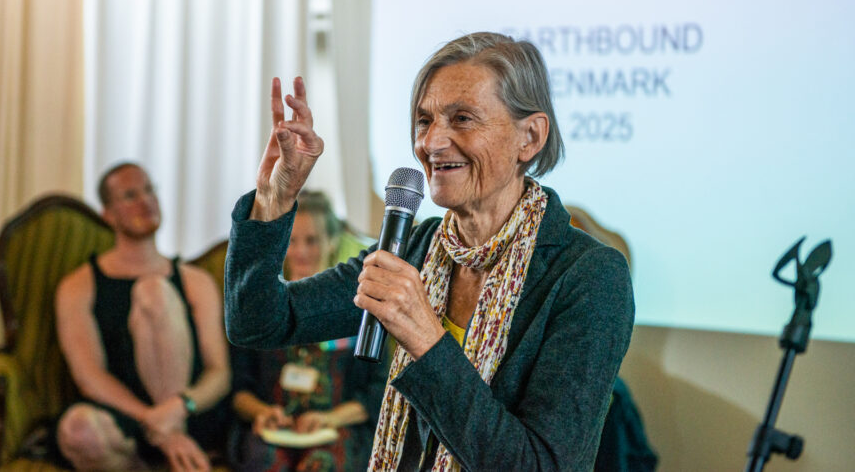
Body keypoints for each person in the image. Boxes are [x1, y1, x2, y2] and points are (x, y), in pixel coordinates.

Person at [224, 32, 635, 470]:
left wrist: (426, 340)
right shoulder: (416, 247)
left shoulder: (589, 275)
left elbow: (541, 465)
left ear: (529, 137)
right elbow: (257, 322)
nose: (431, 143)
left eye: (461, 119)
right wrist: (275, 198)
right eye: (424, 120)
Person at [55, 162, 231, 471]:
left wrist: (178, 410)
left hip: (190, 416)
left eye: (150, 190)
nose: (145, 201)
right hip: (127, 419)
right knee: (77, 430)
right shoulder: (78, 286)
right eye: (130, 195)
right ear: (108, 214)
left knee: (153, 290)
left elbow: (219, 373)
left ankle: (172, 445)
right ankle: (154, 458)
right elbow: (89, 377)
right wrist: (154, 423)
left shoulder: (196, 281)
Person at [230, 191, 389, 471]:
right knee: (268, 462)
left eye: (312, 240)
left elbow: (379, 389)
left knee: (324, 462)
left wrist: (332, 419)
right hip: (272, 430)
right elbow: (238, 387)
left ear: (332, 241)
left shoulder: (361, 306)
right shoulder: (259, 309)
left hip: (337, 428)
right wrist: (263, 413)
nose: (301, 251)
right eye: (291, 241)